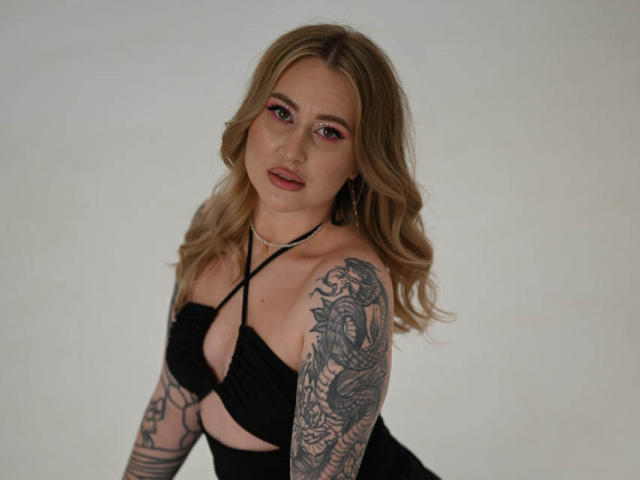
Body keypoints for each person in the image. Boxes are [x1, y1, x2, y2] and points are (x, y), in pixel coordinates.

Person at [123, 23, 452, 480]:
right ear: (252, 117)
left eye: (329, 132)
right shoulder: (214, 226)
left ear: (360, 161)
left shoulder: (347, 288)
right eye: (281, 113)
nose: (293, 150)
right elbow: (173, 401)